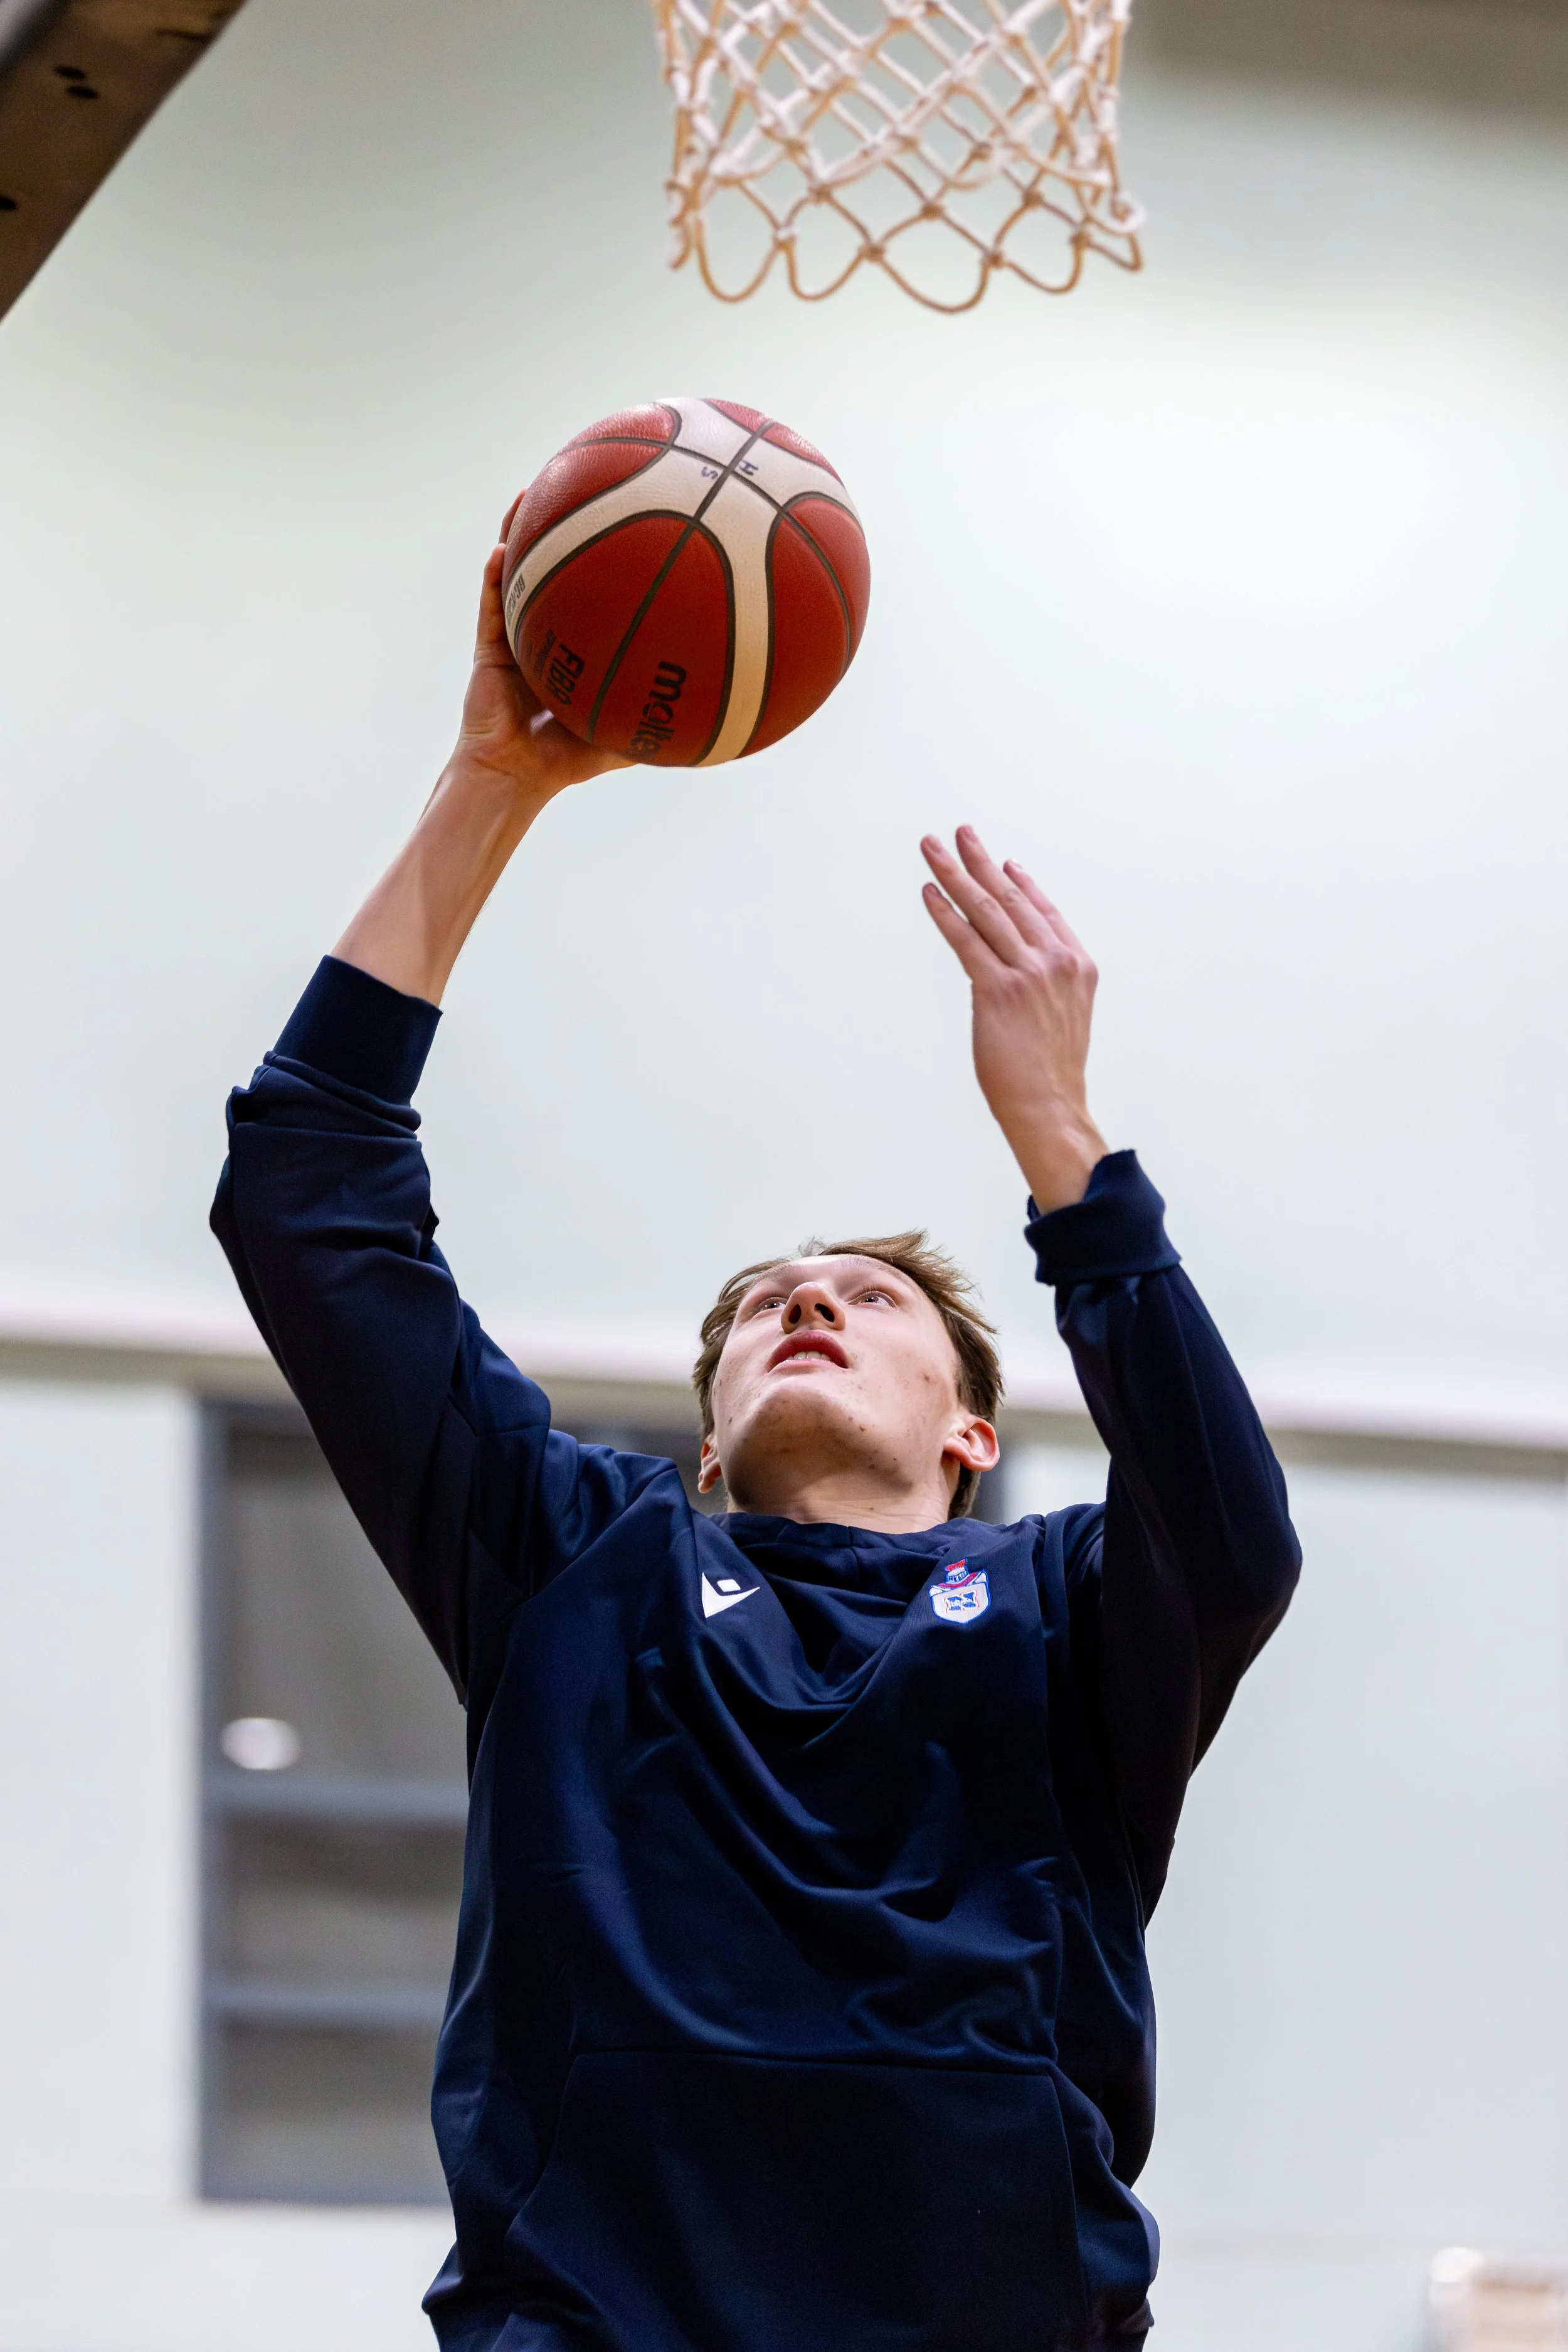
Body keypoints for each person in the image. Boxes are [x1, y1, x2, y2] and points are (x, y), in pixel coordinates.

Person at [212, 506, 1301, 2352]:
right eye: (763, 1307)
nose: (808, 1302)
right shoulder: (585, 1563)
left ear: (970, 1437)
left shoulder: (1061, 1612)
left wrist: (1063, 1143)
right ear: (706, 1443)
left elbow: (1231, 1534)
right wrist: (492, 784)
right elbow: (307, 1195)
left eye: (866, 1300)